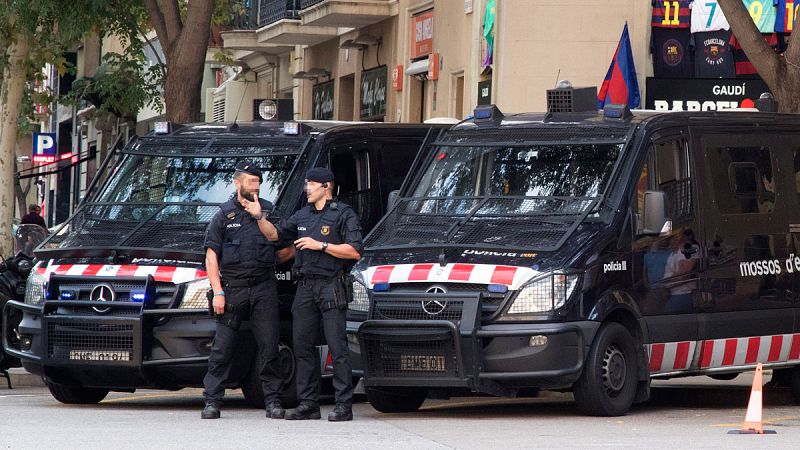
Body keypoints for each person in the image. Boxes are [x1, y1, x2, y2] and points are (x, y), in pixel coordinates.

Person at [201, 161, 285, 420]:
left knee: (269, 346)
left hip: (263, 288)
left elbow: (279, 240)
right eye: (251, 181)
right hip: (233, 289)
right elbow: (211, 256)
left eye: (258, 181)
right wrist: (218, 291)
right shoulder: (223, 215)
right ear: (237, 183)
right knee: (222, 348)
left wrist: (259, 216)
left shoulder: (269, 210)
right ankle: (212, 401)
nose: (255, 186)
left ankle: (273, 401)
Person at [279, 167, 362, 422]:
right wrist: (258, 217)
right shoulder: (302, 215)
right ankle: (308, 404)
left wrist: (322, 245)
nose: (307, 188)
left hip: (331, 285)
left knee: (337, 347)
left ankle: (343, 405)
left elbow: (354, 251)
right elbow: (277, 235)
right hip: (305, 287)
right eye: (307, 184)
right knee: (302, 346)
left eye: (311, 184)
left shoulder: (343, 214)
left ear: (326, 187)